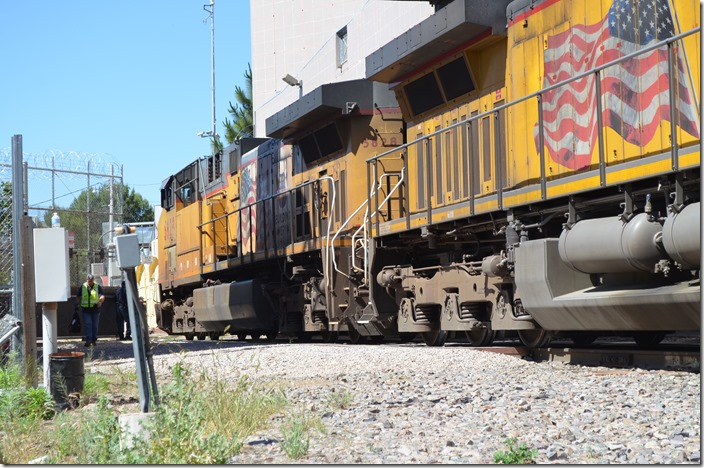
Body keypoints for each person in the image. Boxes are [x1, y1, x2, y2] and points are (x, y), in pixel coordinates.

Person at [78, 274, 105, 347]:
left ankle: (93, 340)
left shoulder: (97, 286)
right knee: (88, 325)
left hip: (95, 309)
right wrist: (78, 304)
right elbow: (78, 296)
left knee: (95, 326)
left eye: (91, 281)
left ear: (93, 280)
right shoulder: (83, 287)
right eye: (89, 281)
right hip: (86, 310)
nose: (90, 282)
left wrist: (100, 301)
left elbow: (102, 296)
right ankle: (88, 341)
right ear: (87, 280)